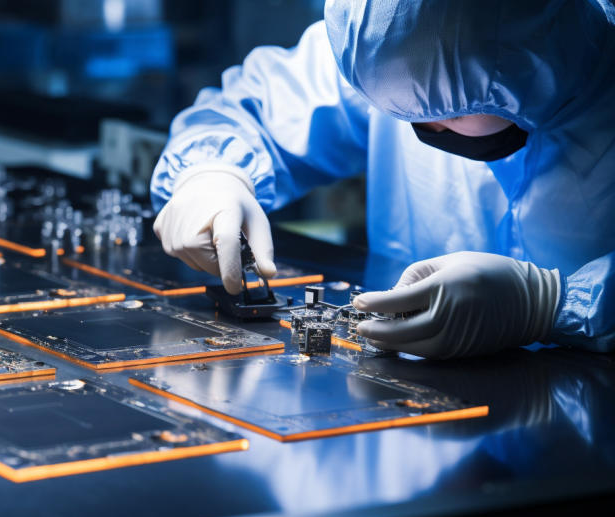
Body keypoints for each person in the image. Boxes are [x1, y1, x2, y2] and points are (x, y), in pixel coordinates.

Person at [150, 0, 615, 358]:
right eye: (402, 111)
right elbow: (252, 111)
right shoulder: (387, 37)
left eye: (457, 107)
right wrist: (210, 173)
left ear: (534, 56)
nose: (427, 129)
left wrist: (554, 305)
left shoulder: (490, 33)